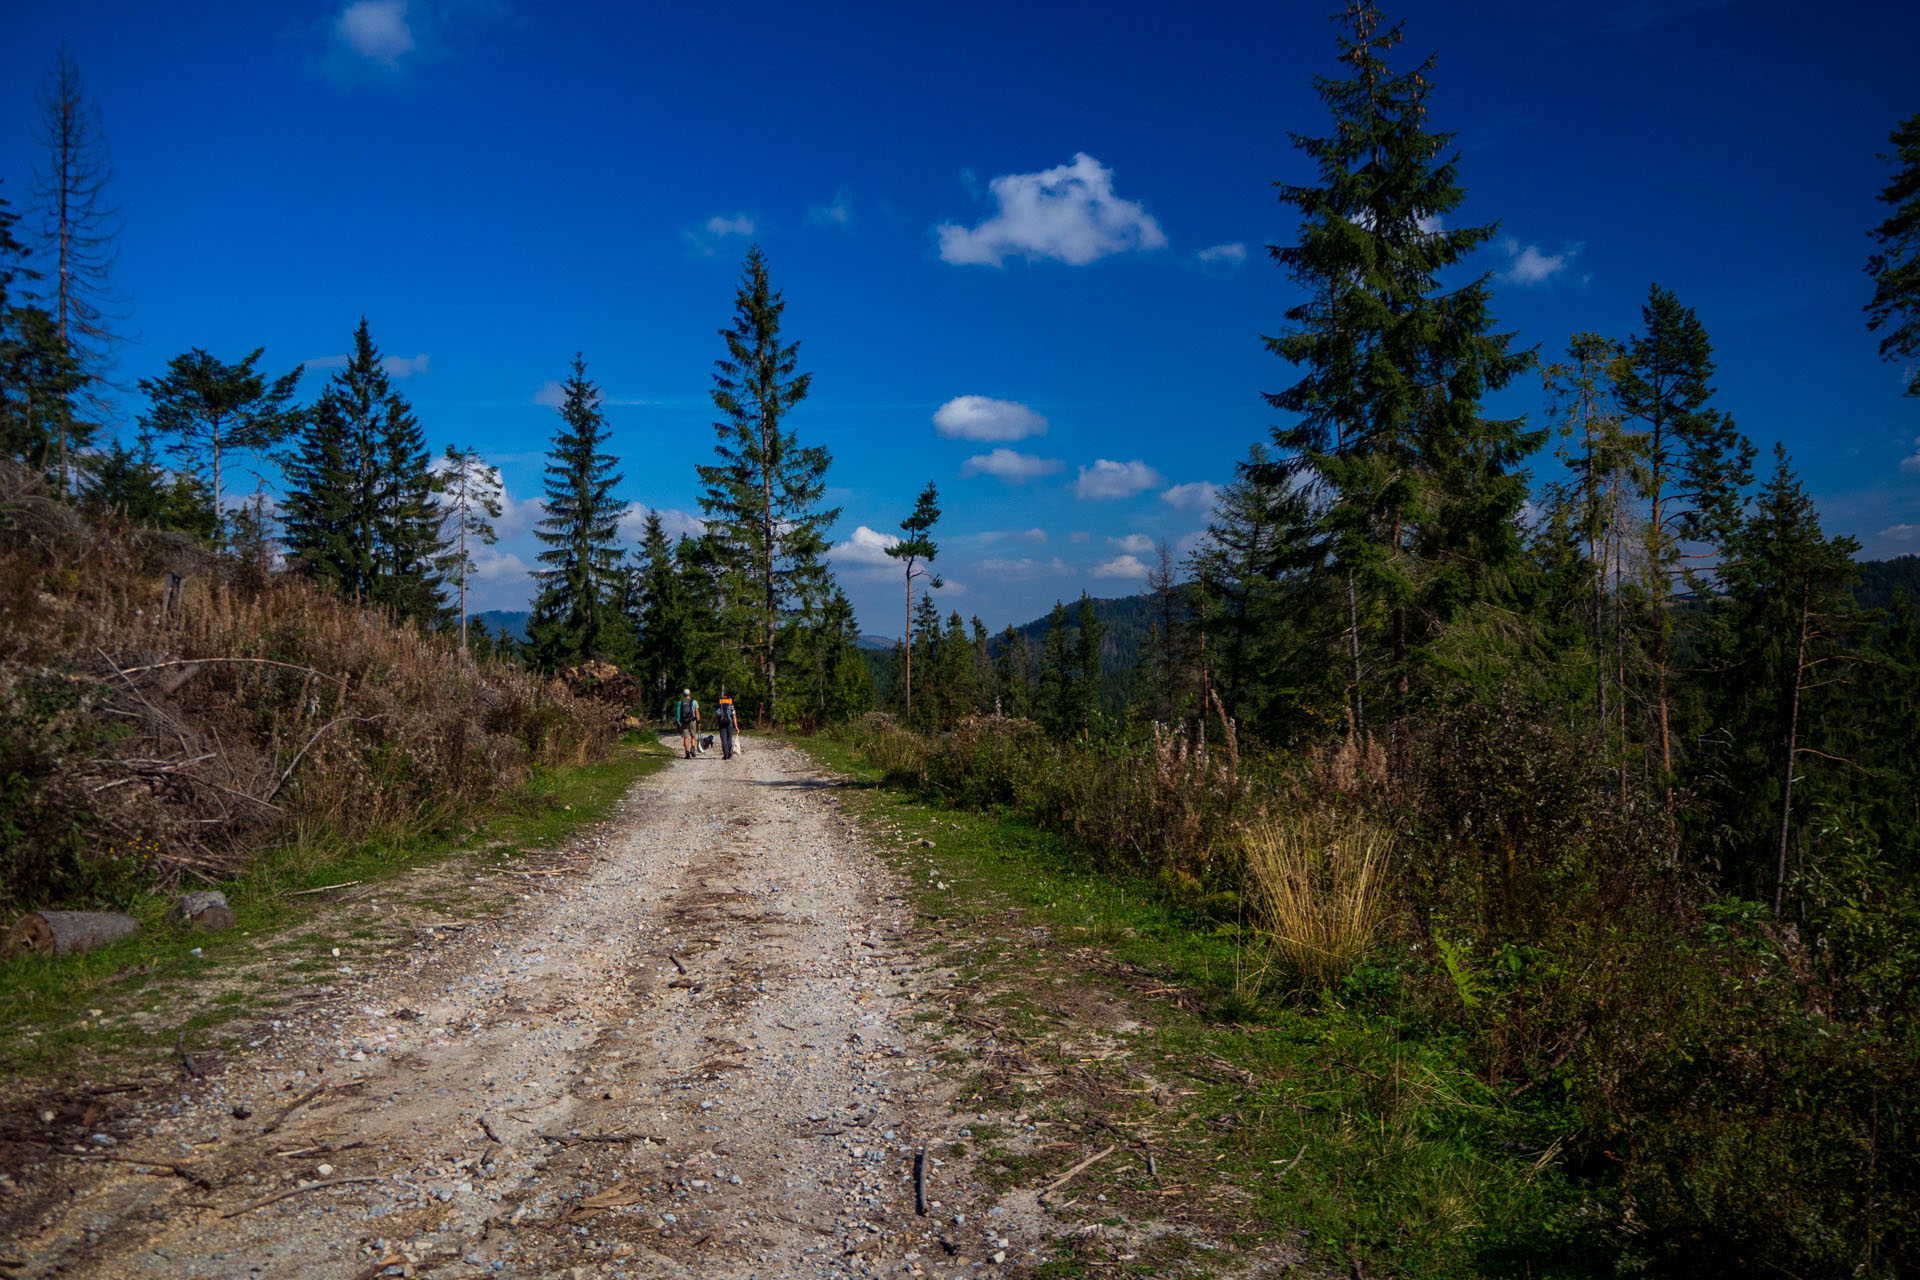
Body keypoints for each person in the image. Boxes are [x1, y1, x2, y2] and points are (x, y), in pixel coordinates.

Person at [674, 688, 700, 758]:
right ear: (689, 694)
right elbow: (697, 712)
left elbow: (678, 713)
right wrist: (698, 721)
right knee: (693, 736)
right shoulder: (694, 702)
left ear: (684, 694)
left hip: (684, 721)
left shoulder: (680, 702)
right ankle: (693, 748)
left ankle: (687, 753)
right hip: (692, 721)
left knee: (686, 737)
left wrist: (677, 722)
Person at [715, 694, 738, 760]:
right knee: (729, 738)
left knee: (724, 739)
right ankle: (729, 754)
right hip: (730, 723)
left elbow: (717, 715)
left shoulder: (719, 706)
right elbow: (734, 716)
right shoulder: (731, 706)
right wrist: (736, 726)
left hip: (722, 724)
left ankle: (726, 755)